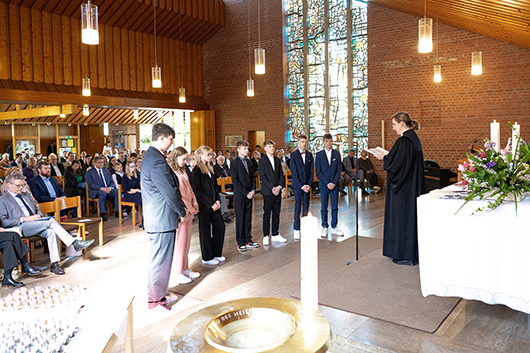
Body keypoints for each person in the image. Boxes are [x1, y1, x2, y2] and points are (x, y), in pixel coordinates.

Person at [0, 172, 94, 275]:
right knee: (51, 222)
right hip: (20, 227)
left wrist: (40, 216)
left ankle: (55, 264)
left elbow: (36, 208)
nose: (21, 188)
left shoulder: (26, 195)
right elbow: (4, 221)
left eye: (22, 185)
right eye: (18, 186)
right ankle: (73, 243)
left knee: (50, 232)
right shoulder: (3, 200)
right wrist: (25, 219)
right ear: (8, 184)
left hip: (36, 223)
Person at [141, 123, 186, 311]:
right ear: (161, 138)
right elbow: (168, 191)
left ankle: (158, 291)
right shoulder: (157, 160)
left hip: (157, 217)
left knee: (160, 258)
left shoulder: (151, 156)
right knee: (161, 260)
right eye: (170, 138)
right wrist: (182, 211)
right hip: (161, 218)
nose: (171, 142)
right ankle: (156, 299)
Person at [374, 112, 425, 266]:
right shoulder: (414, 139)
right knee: (410, 218)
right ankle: (410, 253)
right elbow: (403, 161)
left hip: (404, 190)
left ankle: (404, 254)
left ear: (402, 123)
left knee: (403, 218)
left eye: (394, 124)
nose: (393, 127)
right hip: (411, 187)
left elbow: (396, 166)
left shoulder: (404, 141)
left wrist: (385, 158)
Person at [167, 147, 200, 284]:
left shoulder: (182, 169)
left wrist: (195, 201)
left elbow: (189, 187)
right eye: (183, 159)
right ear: (175, 157)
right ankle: (177, 271)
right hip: (182, 209)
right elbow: (177, 193)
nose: (185, 161)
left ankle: (185, 268)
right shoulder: (171, 171)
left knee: (186, 241)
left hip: (190, 208)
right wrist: (189, 206)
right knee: (179, 242)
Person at [190, 146, 226, 265]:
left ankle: (216, 253)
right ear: (200, 155)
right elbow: (198, 190)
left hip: (214, 203)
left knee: (220, 227)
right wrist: (210, 204)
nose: (210, 157)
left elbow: (215, 187)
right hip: (205, 205)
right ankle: (207, 257)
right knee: (205, 231)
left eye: (211, 154)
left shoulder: (210, 168)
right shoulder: (196, 170)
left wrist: (217, 200)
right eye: (208, 154)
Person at [315, 134, 344, 239]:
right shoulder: (319, 155)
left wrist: (334, 182)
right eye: (327, 141)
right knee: (324, 207)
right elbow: (318, 171)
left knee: (335, 206)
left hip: (334, 184)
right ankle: (324, 226)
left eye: (331, 141)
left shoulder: (337, 154)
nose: (329, 143)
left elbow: (339, 170)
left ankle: (334, 226)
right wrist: (327, 183)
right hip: (323, 184)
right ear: (324, 142)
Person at [231, 141, 257, 252]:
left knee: (248, 218)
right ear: (239, 149)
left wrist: (252, 190)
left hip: (249, 194)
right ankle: (240, 242)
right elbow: (235, 181)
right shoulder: (234, 163)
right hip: (240, 195)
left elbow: (252, 177)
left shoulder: (249, 162)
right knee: (240, 219)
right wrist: (245, 192)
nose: (247, 150)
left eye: (247, 148)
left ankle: (248, 239)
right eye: (244, 148)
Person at [259, 140, 286, 245]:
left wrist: (279, 187)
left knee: (276, 213)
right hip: (268, 191)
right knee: (267, 214)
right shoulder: (262, 161)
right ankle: (266, 235)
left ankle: (275, 234)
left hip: (277, 191)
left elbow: (280, 175)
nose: (272, 148)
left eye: (273, 146)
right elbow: (263, 176)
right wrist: (272, 188)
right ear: (265, 148)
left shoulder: (277, 160)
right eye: (269, 146)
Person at [290, 134, 314, 240]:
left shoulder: (309, 155)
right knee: (298, 205)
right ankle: (296, 228)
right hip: (298, 185)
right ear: (298, 143)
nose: (304, 143)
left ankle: (304, 226)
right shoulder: (294, 155)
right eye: (302, 141)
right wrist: (301, 185)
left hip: (307, 185)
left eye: (305, 141)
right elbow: (294, 172)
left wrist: (308, 184)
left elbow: (311, 171)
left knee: (306, 206)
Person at [86, 156, 120, 221]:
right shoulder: (90, 172)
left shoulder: (106, 171)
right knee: (102, 193)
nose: (101, 164)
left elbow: (111, 182)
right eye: (99, 162)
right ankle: (102, 213)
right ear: (95, 163)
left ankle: (118, 211)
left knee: (117, 191)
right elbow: (90, 184)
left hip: (107, 189)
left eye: (102, 162)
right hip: (96, 190)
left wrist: (110, 188)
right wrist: (102, 188)